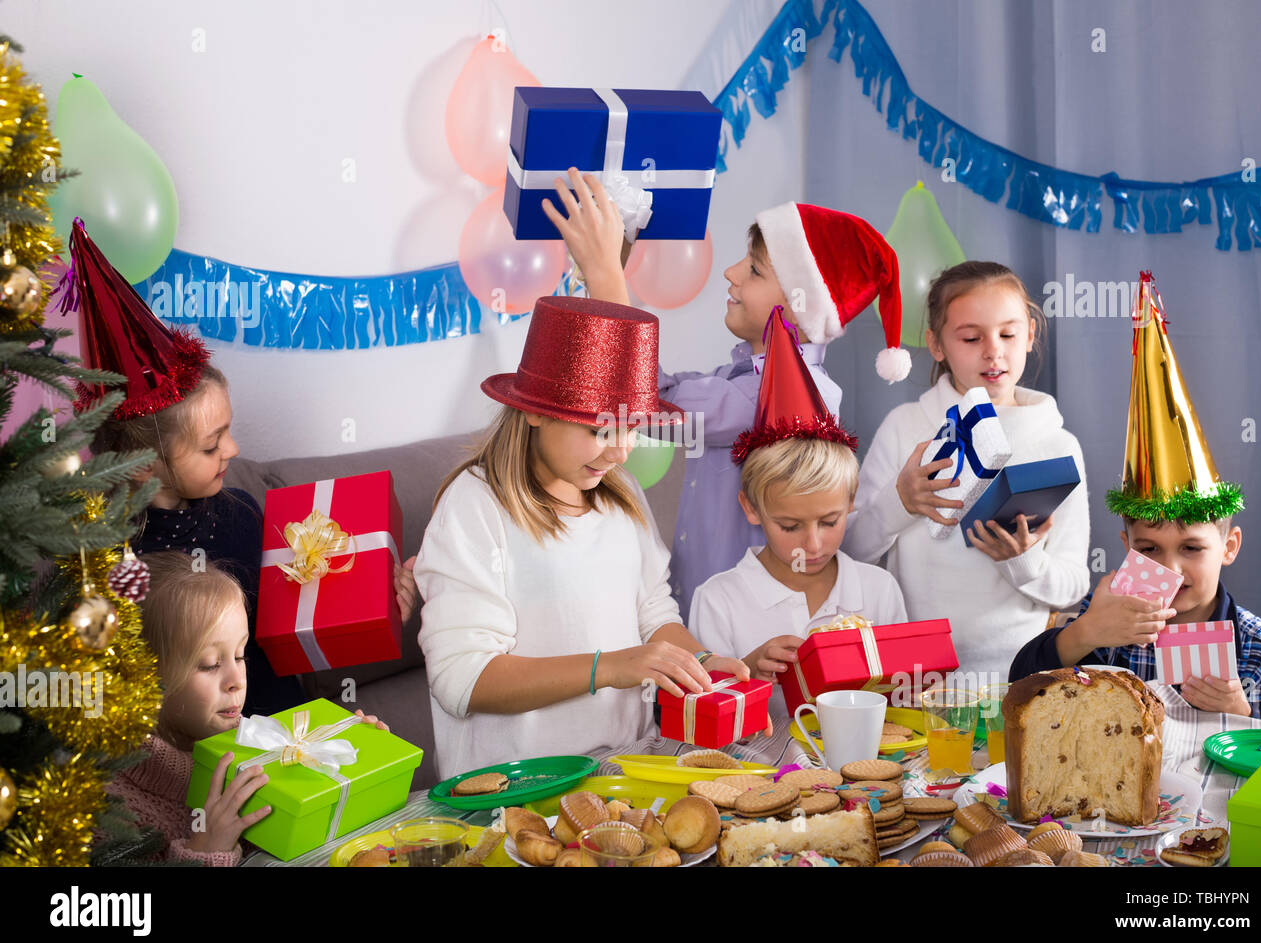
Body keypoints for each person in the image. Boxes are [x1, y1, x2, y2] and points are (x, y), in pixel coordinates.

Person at [65, 217, 417, 715]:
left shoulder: (243, 512)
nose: (232, 450)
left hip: (287, 726)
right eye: (211, 445)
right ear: (144, 464)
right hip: (204, 760)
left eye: (228, 431)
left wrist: (378, 606)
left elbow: (298, 633)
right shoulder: (115, 557)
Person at [412, 296, 755, 778]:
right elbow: (462, 680)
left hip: (623, 771)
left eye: (633, 428)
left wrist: (698, 660)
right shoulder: (476, 505)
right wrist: (609, 668)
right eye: (600, 430)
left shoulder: (621, 496)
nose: (621, 451)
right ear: (535, 412)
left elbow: (653, 615)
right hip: (515, 791)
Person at [544, 169, 907, 613]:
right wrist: (609, 272)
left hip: (745, 623)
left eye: (753, 270)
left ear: (799, 307)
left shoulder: (785, 395)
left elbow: (647, 403)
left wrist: (605, 278)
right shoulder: (742, 375)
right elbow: (661, 391)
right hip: (705, 612)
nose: (731, 273)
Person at [1009, 272, 1261, 727]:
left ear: (1229, 546)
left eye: (1191, 548)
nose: (1170, 569)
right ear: (1126, 549)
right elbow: (1023, 689)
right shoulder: (1108, 626)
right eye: (1148, 550)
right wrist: (1085, 633)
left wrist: (1241, 713)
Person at [843, 260, 1090, 686]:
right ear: (937, 345)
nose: (993, 350)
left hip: (1017, 673)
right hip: (916, 675)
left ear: (1030, 334)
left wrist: (1024, 560)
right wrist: (900, 503)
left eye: (1008, 334)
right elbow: (849, 550)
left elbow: (1073, 587)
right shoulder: (906, 427)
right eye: (971, 337)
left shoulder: (1058, 445)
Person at [103, 551, 389, 865]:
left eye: (239, 656)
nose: (236, 680)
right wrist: (203, 853)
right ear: (142, 678)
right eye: (210, 664)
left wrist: (357, 763)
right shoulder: (110, 805)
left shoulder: (258, 742)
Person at [689, 306, 907, 719]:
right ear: (751, 509)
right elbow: (704, 723)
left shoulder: (879, 590)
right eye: (790, 525)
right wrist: (746, 674)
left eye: (830, 521)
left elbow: (900, 707)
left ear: (852, 500)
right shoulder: (718, 600)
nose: (814, 543)